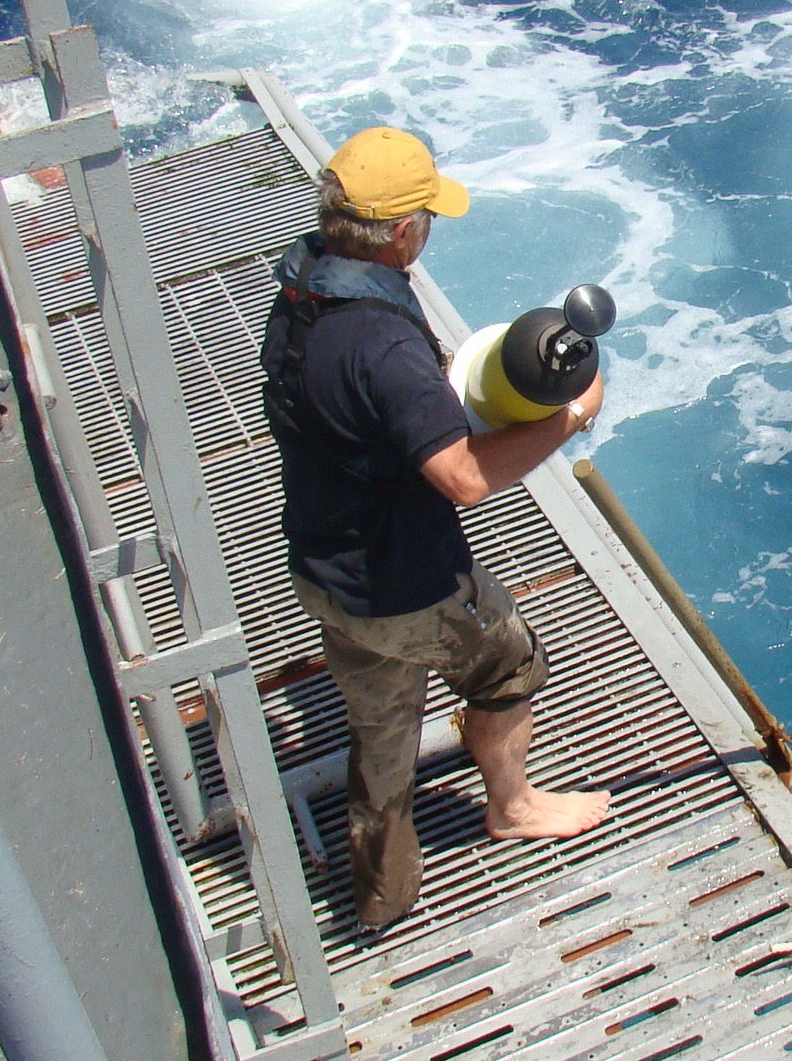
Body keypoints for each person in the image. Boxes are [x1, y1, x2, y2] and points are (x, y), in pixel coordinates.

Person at [261, 126, 611, 937]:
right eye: (426, 216)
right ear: (401, 231)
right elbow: (459, 479)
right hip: (402, 582)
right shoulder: (380, 341)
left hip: (324, 564)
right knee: (512, 660)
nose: (428, 230)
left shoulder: (305, 284)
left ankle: (381, 899)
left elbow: (364, 402)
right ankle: (514, 807)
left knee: (382, 726)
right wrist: (567, 419)